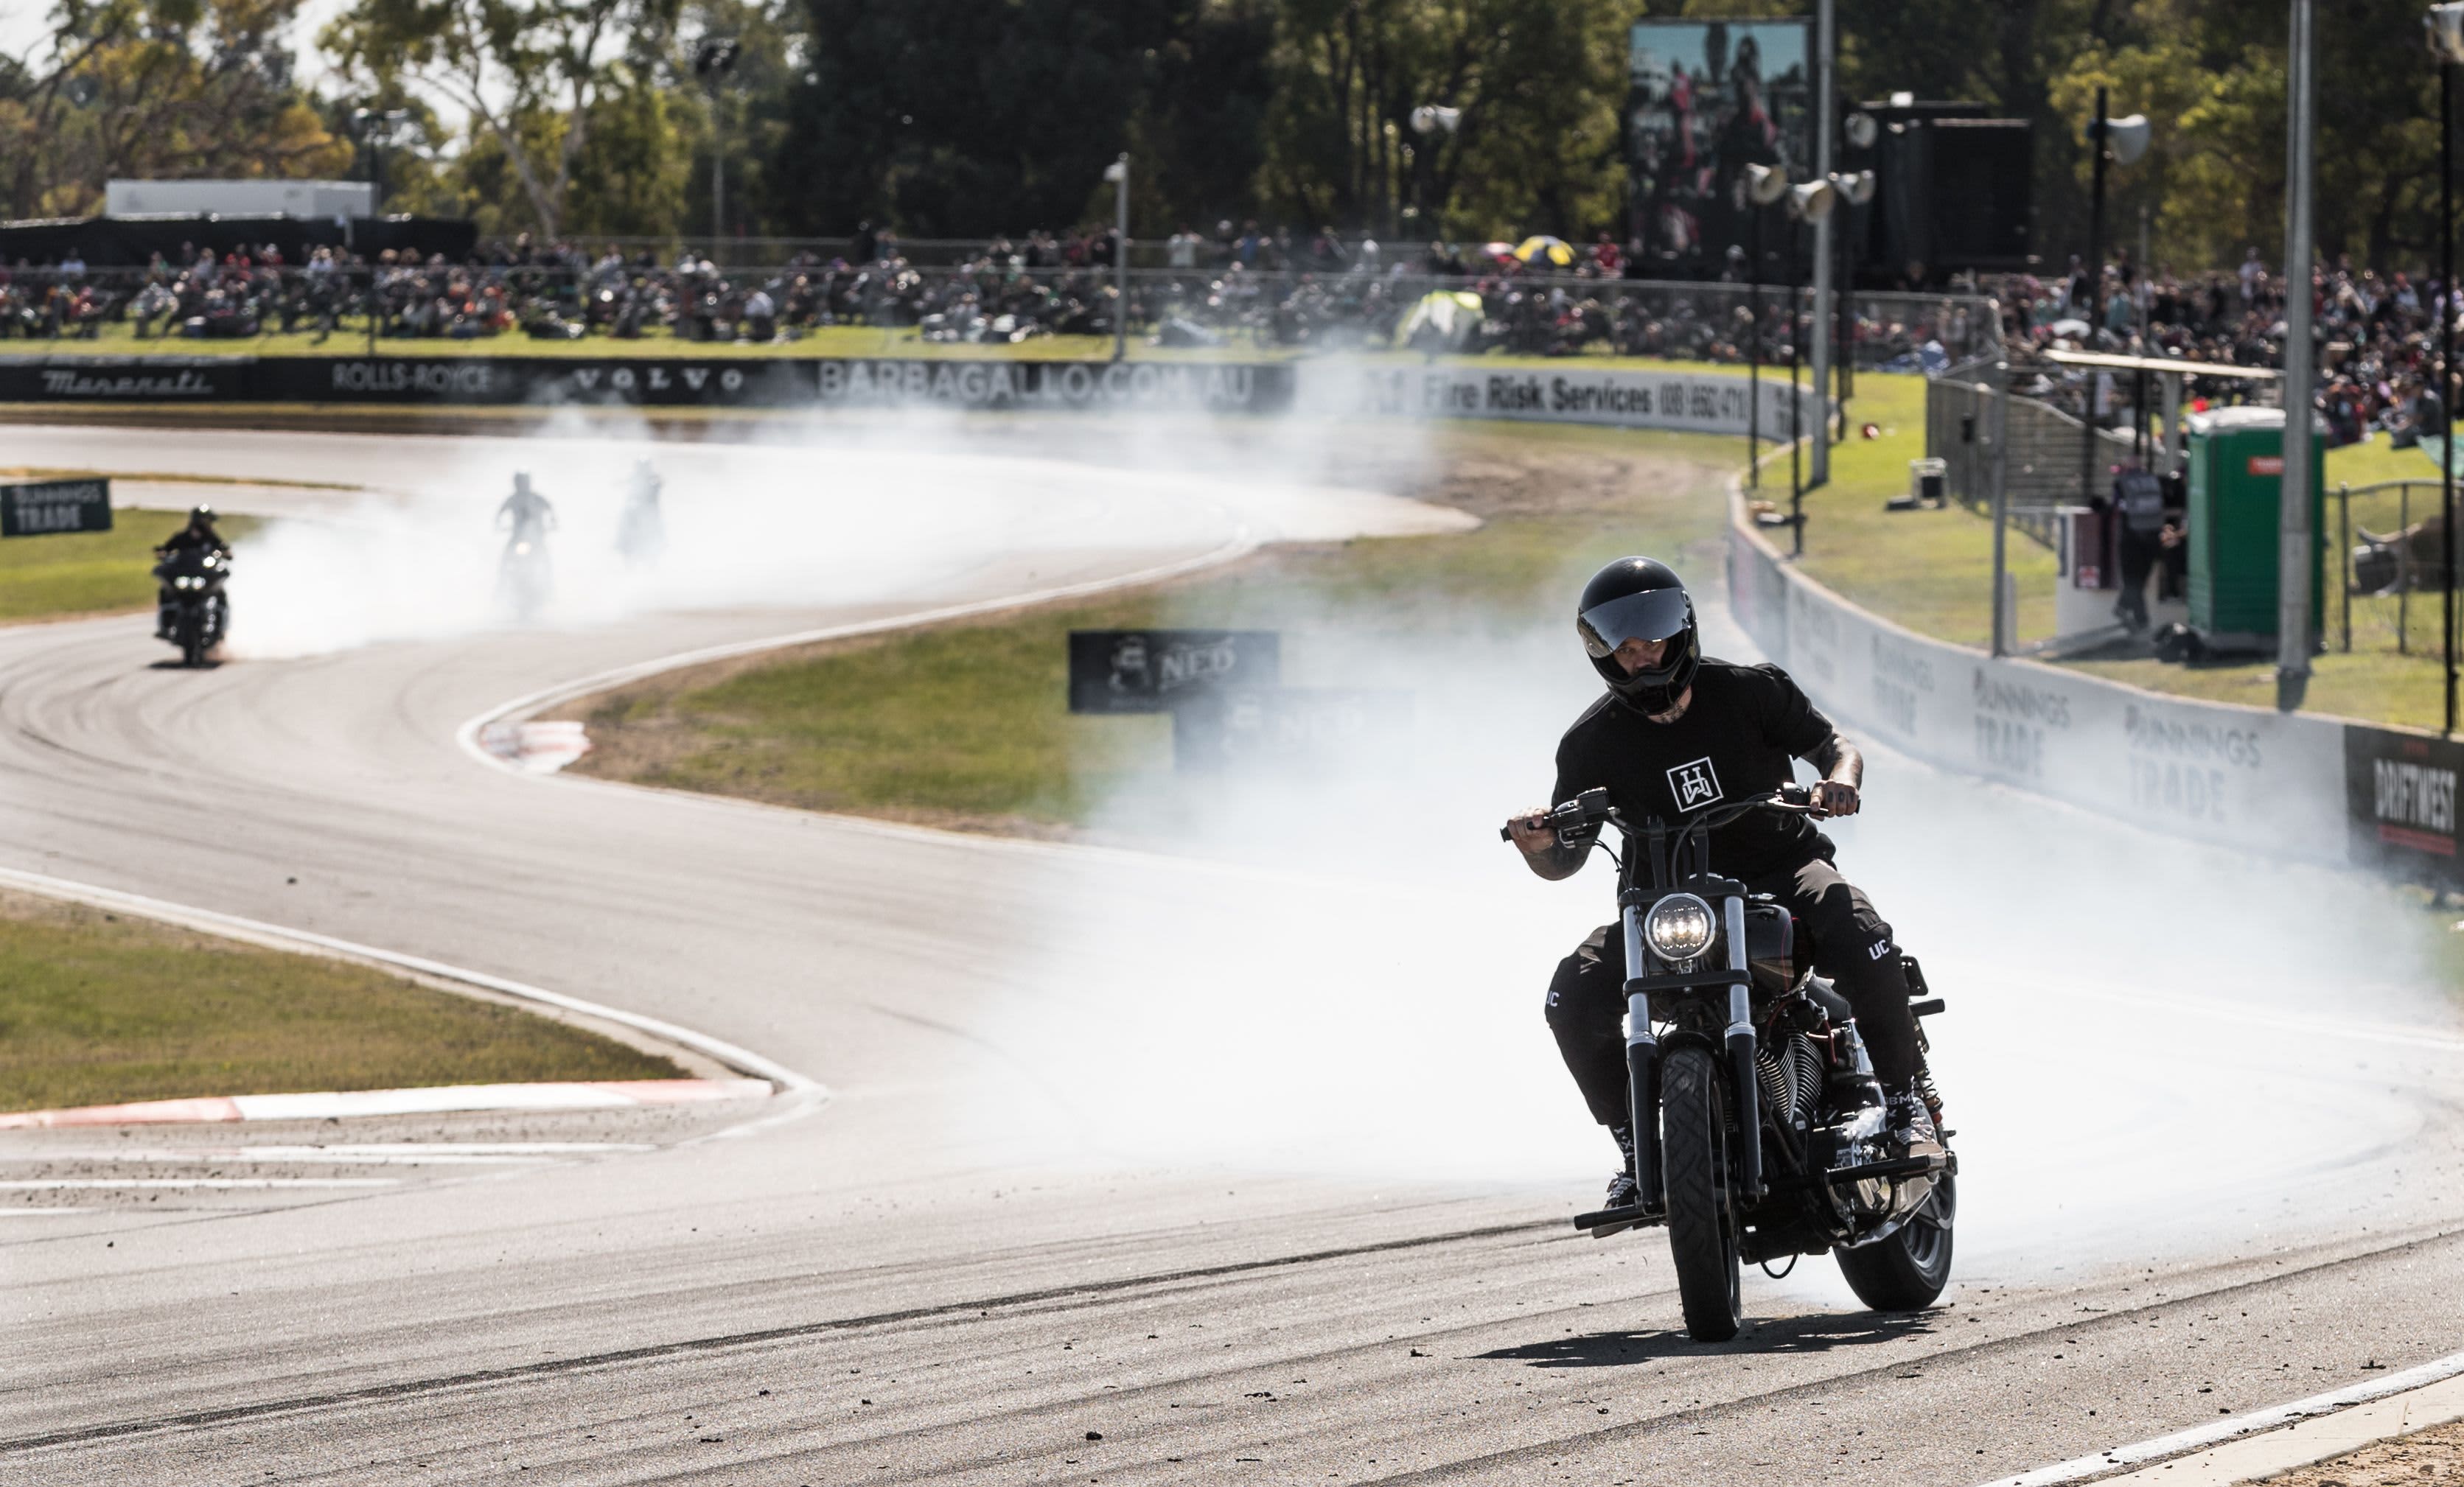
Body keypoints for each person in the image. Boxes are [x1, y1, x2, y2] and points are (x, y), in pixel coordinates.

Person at [1504, 557, 1941, 1211]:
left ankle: (1907, 1108)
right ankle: (1634, 1147)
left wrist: (1840, 782)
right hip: (1665, 905)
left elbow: (1834, 747)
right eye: (1625, 649)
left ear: (1680, 632)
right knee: (1572, 994)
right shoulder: (1588, 745)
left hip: (1782, 871)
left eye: (1651, 641)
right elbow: (1563, 859)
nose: (1642, 659)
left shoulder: (1750, 690)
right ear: (1603, 654)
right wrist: (1539, 846)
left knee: (1853, 921)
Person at [153, 505, 230, 639]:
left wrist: (225, 554)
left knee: (219, 591)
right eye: (206, 520)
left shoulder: (212, 538)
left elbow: (225, 550)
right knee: (165, 590)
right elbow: (167, 549)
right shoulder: (183, 537)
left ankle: (220, 626)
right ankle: (166, 624)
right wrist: (163, 553)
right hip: (185, 575)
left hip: (204, 577)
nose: (207, 524)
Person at [2110, 463, 2167, 630]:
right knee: (2139, 582)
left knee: (2132, 582)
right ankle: (2133, 616)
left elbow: (2115, 505)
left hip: (2131, 540)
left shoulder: (2122, 485)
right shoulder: (2154, 484)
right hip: (2152, 539)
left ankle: (2136, 618)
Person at [498, 472, 556, 543]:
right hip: (518, 537)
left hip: (537, 536)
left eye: (523, 482)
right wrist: (498, 524)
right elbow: (501, 512)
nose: (522, 485)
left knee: (544, 551)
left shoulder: (537, 498)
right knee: (507, 552)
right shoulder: (513, 500)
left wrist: (553, 521)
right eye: (520, 482)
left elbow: (549, 508)